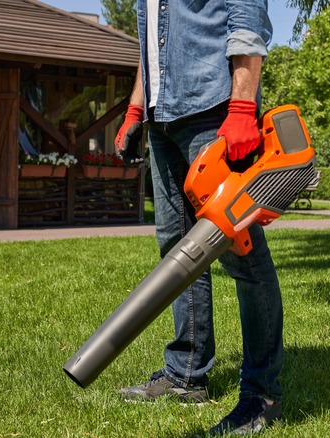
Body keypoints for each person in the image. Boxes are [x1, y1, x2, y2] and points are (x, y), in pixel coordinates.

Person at [113, 0, 283, 435]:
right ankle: (186, 375)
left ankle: (261, 395)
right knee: (178, 250)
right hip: (162, 116)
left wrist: (243, 108)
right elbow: (153, 39)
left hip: (213, 109)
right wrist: (137, 107)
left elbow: (246, 18)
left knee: (242, 254)